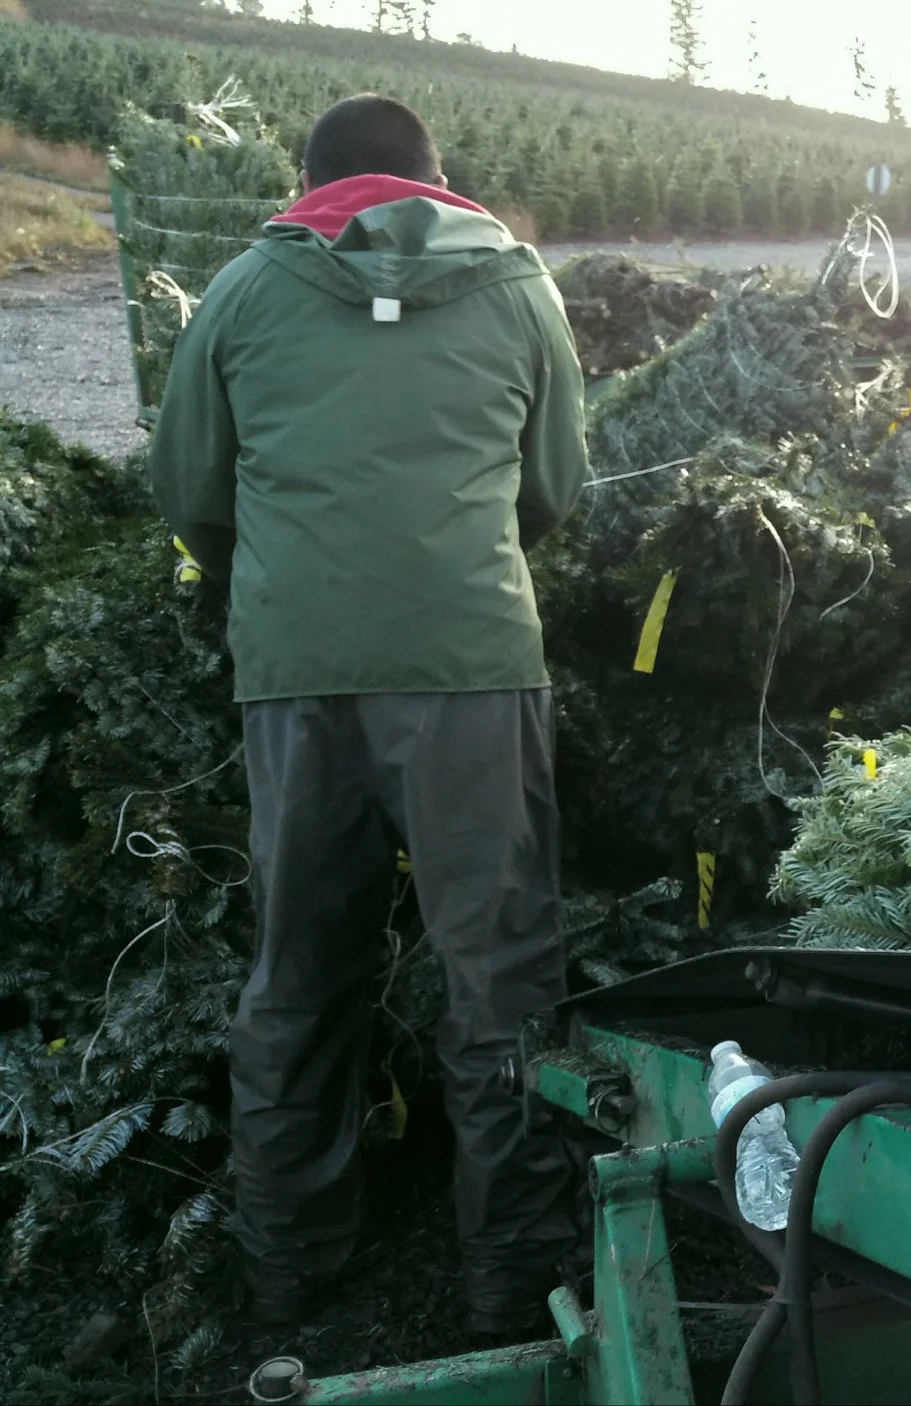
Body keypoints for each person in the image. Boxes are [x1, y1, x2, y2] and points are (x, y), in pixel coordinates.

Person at [147, 93, 589, 1336]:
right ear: (437, 182)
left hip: (294, 674)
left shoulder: (242, 289)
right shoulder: (518, 287)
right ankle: (515, 1277)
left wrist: (277, 580)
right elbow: (552, 486)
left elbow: (187, 485)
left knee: (298, 969)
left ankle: (288, 1266)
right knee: (499, 977)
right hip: (470, 670)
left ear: (311, 182)